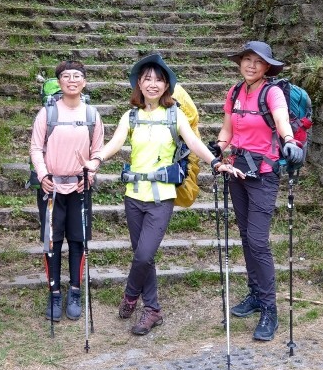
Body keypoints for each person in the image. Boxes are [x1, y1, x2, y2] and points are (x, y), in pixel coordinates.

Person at [82, 53, 238, 336]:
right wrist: (97, 159)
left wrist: (215, 162)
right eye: (147, 79)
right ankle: (152, 309)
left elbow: (194, 143)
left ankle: (131, 296)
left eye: (159, 79)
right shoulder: (130, 116)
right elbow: (115, 143)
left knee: (143, 255)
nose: (152, 84)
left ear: (167, 86)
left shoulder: (174, 114)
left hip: (161, 198)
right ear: (139, 84)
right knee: (145, 256)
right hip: (133, 196)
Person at [211, 41, 303, 342]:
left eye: (258, 61)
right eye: (247, 60)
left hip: (263, 174)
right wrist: (217, 149)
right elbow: (228, 131)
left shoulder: (272, 92)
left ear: (267, 67)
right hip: (237, 171)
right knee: (246, 238)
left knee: (258, 240)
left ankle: (269, 308)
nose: (251, 65)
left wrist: (289, 141)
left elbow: (280, 121)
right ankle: (255, 294)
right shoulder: (235, 92)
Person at [30, 61, 104, 322]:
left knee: (78, 240)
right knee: (52, 241)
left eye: (77, 76)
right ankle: (54, 293)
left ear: (84, 82)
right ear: (59, 82)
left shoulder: (92, 115)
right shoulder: (46, 114)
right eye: (65, 76)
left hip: (80, 187)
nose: (72, 80)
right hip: (51, 187)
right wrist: (42, 175)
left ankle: (74, 290)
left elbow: (97, 152)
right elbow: (36, 148)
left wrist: (90, 174)